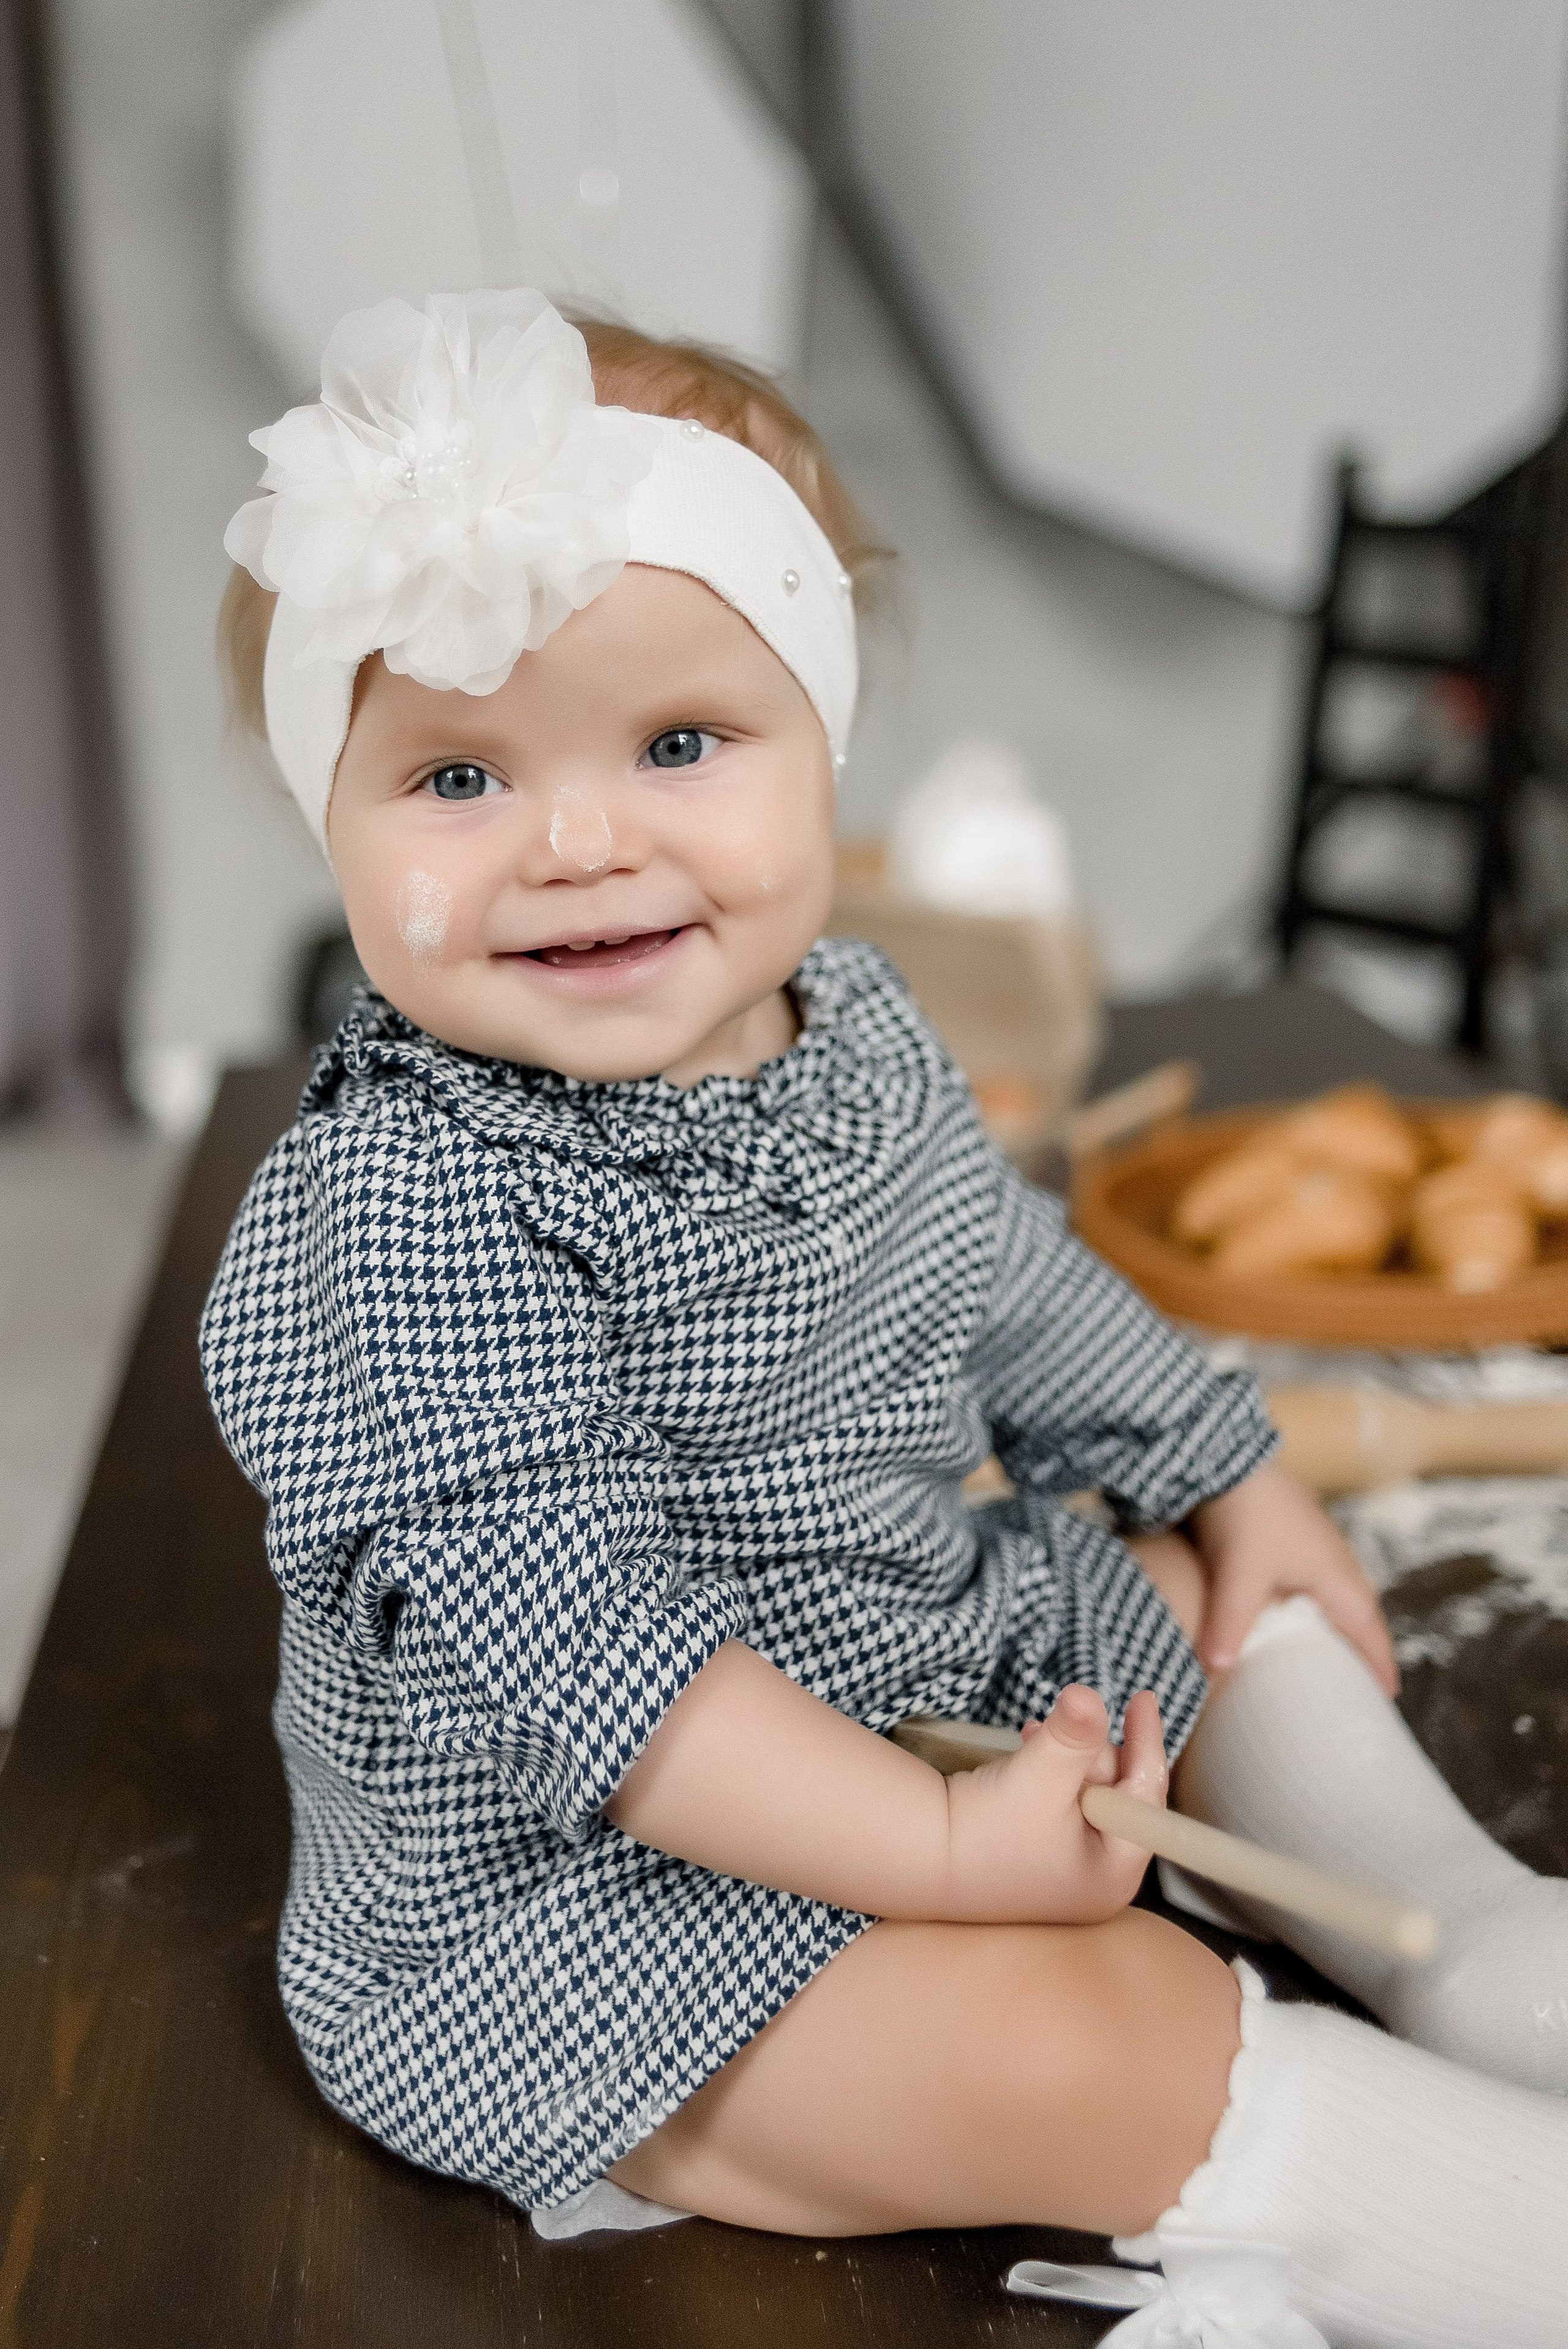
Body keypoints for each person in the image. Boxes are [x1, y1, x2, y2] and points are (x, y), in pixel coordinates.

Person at [202, 290, 1568, 2348]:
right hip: (595, 1889)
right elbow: (599, 1661)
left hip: (922, 1660)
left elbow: (1008, 1285)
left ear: (821, 738)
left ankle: (1455, 1924)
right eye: (458, 774)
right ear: (334, 818)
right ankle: (1470, 2214)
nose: (579, 840)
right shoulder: (399, 1211)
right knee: (1083, 2025)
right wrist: (935, 1843)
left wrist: (1237, 1461)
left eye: (679, 743)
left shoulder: (853, 1032)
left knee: (1196, 1566)